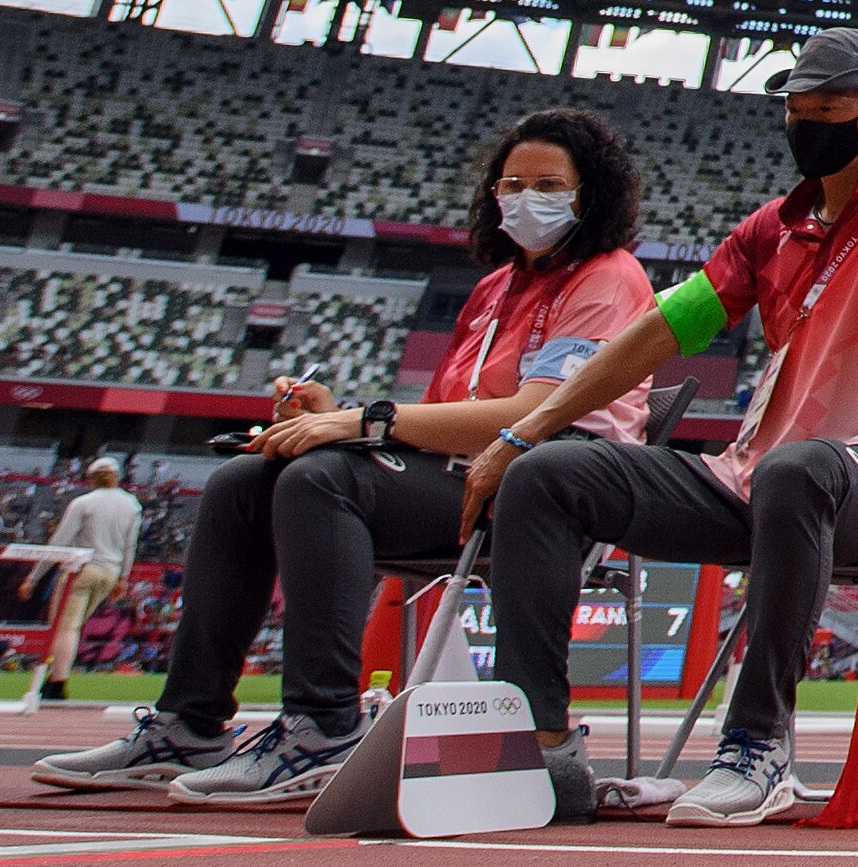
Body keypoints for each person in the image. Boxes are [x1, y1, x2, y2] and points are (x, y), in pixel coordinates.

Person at [34, 109, 657, 804]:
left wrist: (360, 424)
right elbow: (442, 415)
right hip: (460, 483)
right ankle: (190, 722)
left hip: (545, 489)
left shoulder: (609, 278)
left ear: (590, 194)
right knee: (245, 479)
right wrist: (334, 416)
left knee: (322, 478)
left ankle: (322, 724)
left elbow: (528, 416)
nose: (523, 198)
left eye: (546, 184)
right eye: (510, 183)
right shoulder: (493, 290)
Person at [462, 29, 858, 827]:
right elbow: (657, 333)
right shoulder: (771, 227)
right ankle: (542, 745)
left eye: (826, 109)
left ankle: (758, 746)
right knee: (546, 475)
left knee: (795, 468)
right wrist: (524, 432)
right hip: (749, 479)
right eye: (794, 110)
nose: (806, 124)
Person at [21, 456, 142, 703]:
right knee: (73, 627)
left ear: (91, 478)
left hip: (82, 568)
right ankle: (55, 676)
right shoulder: (132, 505)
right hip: (109, 572)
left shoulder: (83, 503)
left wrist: (34, 577)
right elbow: (130, 546)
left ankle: (57, 683)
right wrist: (123, 578)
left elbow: (59, 543)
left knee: (66, 627)